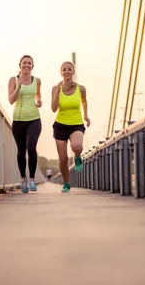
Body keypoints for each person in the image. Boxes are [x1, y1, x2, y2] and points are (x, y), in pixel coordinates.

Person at [51, 61, 90, 193]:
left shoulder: (81, 88)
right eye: (64, 69)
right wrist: (57, 91)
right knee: (63, 159)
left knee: (77, 146)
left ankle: (78, 156)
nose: (67, 71)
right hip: (60, 125)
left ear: (73, 72)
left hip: (76, 123)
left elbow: (84, 101)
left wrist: (86, 116)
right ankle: (67, 183)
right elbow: (53, 108)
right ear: (61, 72)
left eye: (69, 69)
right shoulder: (56, 88)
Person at [8, 55, 42, 193]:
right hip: (18, 120)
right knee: (21, 151)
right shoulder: (13, 79)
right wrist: (18, 86)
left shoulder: (37, 81)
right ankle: (23, 180)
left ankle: (32, 179)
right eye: (24, 63)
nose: (26, 65)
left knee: (31, 147)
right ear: (20, 65)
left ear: (32, 66)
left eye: (29, 63)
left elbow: (38, 94)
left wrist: (39, 101)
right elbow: (11, 100)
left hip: (34, 119)